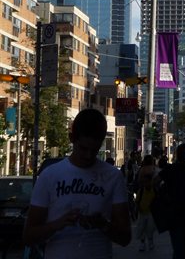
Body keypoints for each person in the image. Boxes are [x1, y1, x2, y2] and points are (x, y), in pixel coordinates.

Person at [23, 108, 131, 259]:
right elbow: (28, 236)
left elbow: (125, 237)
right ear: (71, 138)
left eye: (94, 150)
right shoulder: (50, 176)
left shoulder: (113, 176)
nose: (88, 156)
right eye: (83, 148)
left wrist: (103, 225)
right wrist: (58, 224)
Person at [158, 143, 185, 259]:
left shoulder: (170, 169)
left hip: (173, 213)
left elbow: (155, 181)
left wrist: (163, 194)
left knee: (178, 247)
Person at [135, 155, 158, 252]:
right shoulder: (154, 169)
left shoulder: (142, 170)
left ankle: (143, 243)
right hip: (150, 208)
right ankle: (149, 242)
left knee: (142, 226)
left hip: (144, 207)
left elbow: (138, 181)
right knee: (150, 227)